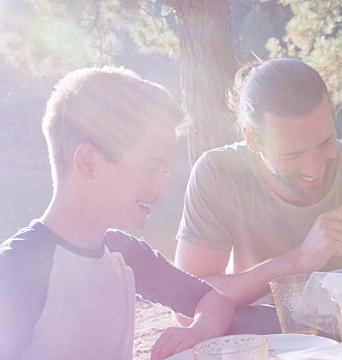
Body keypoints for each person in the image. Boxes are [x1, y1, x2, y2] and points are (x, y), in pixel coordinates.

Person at [174, 58, 342, 326]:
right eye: (293, 154)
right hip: (257, 343)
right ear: (253, 138)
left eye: (326, 143)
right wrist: (297, 262)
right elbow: (186, 306)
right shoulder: (218, 174)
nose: (315, 170)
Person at [0, 67, 234, 360]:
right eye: (150, 168)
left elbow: (214, 301)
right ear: (88, 162)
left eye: (165, 171)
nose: (161, 188)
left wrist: (196, 333)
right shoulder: (15, 269)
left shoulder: (125, 253)